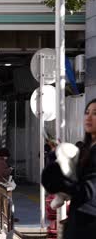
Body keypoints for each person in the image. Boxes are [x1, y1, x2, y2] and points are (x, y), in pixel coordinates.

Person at [42, 98, 96, 238]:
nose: (88, 117)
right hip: (77, 223)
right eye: (87, 112)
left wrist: (62, 182)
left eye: (95, 113)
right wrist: (56, 157)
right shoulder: (85, 150)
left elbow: (88, 191)